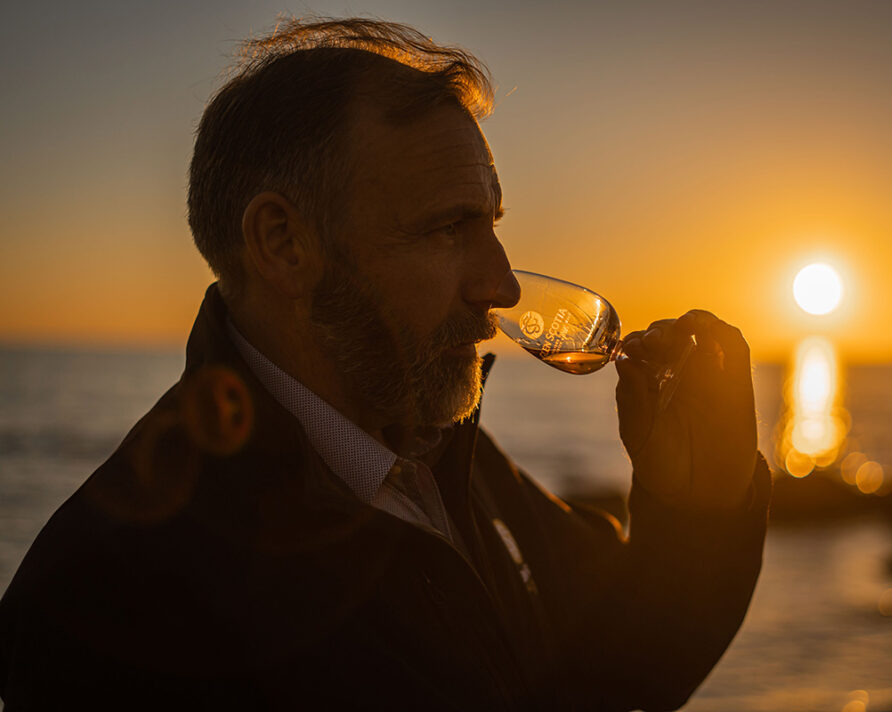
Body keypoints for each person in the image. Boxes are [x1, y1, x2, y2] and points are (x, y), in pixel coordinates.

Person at [0, 18, 770, 711]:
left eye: (492, 223)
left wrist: (700, 502)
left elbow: (628, 667)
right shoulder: (107, 600)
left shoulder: (444, 450)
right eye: (450, 227)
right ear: (283, 244)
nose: (501, 286)